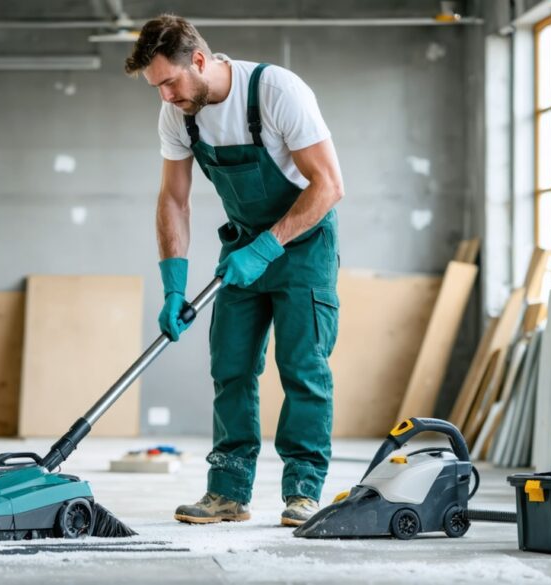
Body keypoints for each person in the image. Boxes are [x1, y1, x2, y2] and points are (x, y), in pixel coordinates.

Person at [125, 15, 344, 527]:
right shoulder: (178, 115)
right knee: (231, 366)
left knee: (303, 368)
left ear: (199, 61)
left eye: (170, 82)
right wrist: (173, 286)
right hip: (243, 249)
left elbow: (329, 185)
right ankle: (227, 492)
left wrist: (268, 247)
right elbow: (174, 200)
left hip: (304, 247)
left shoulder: (275, 91)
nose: (166, 96)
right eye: (157, 88)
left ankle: (303, 491)